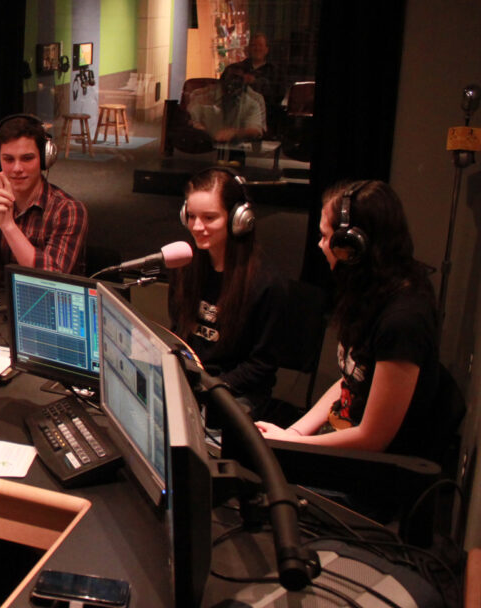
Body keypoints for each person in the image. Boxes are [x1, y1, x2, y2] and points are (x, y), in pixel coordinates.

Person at [257, 180, 440, 453]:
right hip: (340, 446)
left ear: (351, 245)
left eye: (324, 236)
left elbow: (372, 438)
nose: (320, 245)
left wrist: (294, 444)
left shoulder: (403, 321)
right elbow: (351, 381)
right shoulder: (371, 291)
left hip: (370, 474)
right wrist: (293, 433)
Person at [169, 168, 285, 418]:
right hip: (194, 385)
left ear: (238, 219)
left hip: (237, 392)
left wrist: (206, 389)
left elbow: (260, 365)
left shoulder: (265, 283)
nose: (197, 227)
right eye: (191, 216)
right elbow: (178, 333)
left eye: (209, 218)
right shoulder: (185, 267)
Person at [0, 114, 88, 278]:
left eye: (27, 158)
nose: (17, 168)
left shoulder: (68, 210)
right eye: (8, 159)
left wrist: (8, 226)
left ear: (44, 159)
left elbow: (52, 278)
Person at [186, 65, 266, 146]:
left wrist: (236, 133)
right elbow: (188, 121)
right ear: (222, 80)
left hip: (236, 151)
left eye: (239, 80)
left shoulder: (253, 101)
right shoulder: (201, 95)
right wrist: (197, 128)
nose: (234, 83)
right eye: (232, 77)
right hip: (202, 149)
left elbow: (255, 131)